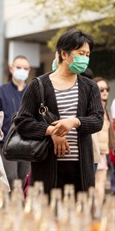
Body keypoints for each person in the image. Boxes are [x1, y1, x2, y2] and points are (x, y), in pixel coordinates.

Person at [15, 29, 103, 194]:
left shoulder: (90, 87)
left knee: (80, 215)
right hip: (47, 166)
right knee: (47, 215)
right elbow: (22, 122)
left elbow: (98, 120)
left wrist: (75, 122)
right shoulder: (38, 85)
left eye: (87, 55)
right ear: (64, 54)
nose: (85, 59)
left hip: (81, 168)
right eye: (81, 53)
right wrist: (51, 131)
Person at [0, 55, 31, 189]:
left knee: (25, 178)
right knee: (10, 178)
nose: (22, 70)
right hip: (6, 143)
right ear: (11, 69)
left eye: (25, 68)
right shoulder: (0, 93)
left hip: (28, 143)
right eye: (18, 67)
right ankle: (11, 206)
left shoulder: (32, 92)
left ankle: (23, 207)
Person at [92, 77, 115, 204]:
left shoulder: (105, 108)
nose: (105, 92)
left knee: (100, 183)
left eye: (107, 89)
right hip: (95, 152)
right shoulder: (95, 109)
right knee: (96, 184)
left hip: (103, 152)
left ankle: (97, 213)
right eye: (101, 90)